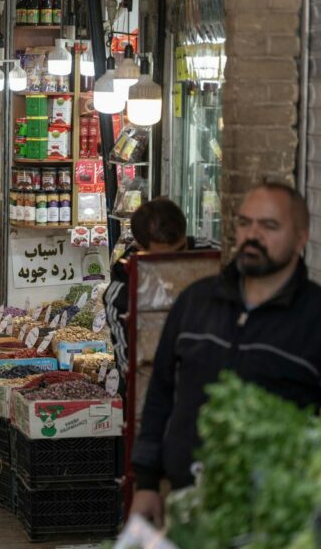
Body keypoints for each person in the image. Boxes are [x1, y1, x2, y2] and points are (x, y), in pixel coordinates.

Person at [131, 183, 321, 528]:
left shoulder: (314, 319)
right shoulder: (195, 303)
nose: (253, 235)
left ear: (300, 238)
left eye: (269, 226)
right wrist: (146, 483)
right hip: (187, 505)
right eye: (245, 223)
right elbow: (160, 394)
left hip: (277, 519)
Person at [103, 198, 200, 377]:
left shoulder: (212, 255)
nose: (174, 263)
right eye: (163, 259)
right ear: (140, 248)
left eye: (180, 251)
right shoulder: (123, 289)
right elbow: (131, 365)